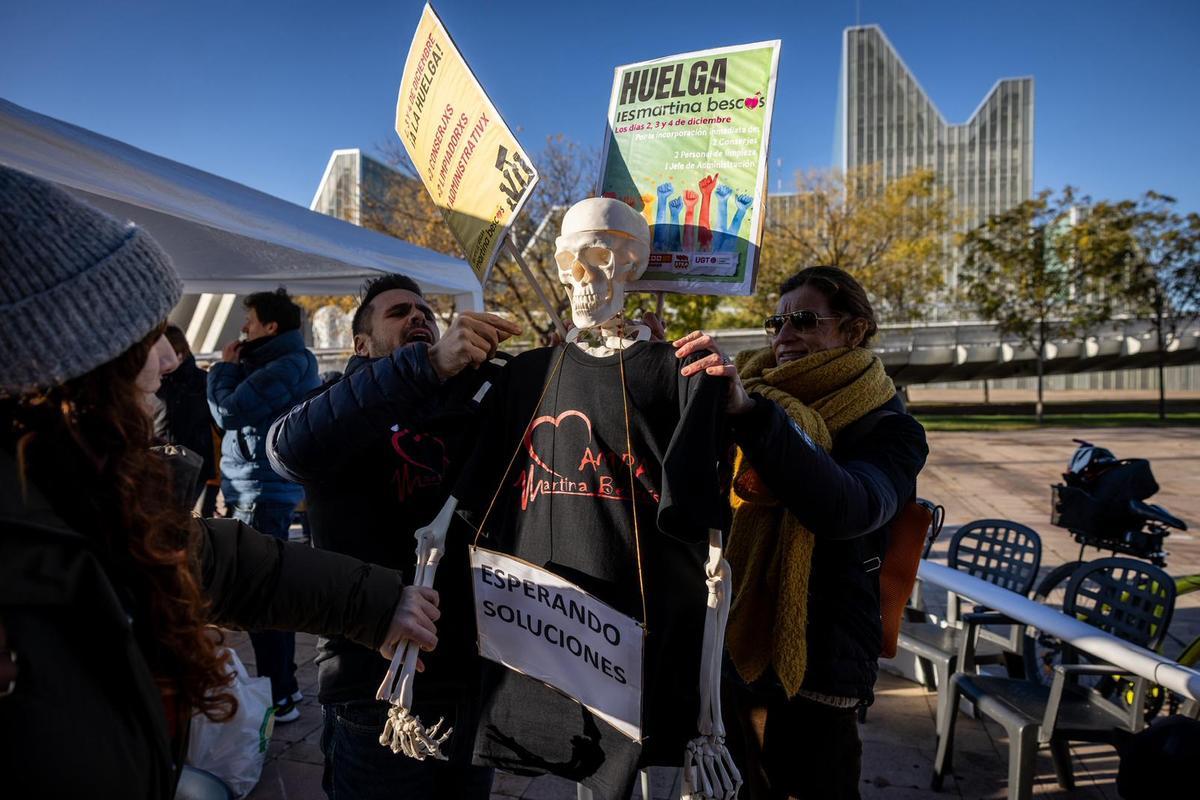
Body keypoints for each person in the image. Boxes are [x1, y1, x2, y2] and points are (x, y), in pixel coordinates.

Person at [0, 165, 441, 799]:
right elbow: (272, 436)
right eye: (143, 341)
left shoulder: (81, 489)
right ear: (65, 368)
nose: (166, 362)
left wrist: (377, 603)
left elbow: (220, 563)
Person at [673, 265, 929, 800]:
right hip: (735, 633)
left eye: (805, 320)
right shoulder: (755, 389)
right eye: (777, 321)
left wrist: (754, 414)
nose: (784, 336)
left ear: (853, 330)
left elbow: (848, 507)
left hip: (823, 656)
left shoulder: (891, 429)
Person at [267, 273, 521, 799]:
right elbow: (287, 448)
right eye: (398, 312)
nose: (418, 318)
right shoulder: (337, 403)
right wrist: (424, 367)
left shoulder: (474, 397)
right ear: (362, 344)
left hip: (471, 682)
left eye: (425, 311)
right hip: (374, 690)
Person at [207, 287, 318, 721]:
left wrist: (222, 368)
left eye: (249, 320)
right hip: (254, 491)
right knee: (261, 590)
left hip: (262, 494)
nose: (243, 327)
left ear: (271, 326)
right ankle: (281, 685)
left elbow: (228, 412)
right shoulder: (274, 361)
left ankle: (281, 692)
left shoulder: (289, 363)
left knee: (259, 594)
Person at [155, 324, 220, 511]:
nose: (162, 363)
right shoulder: (153, 382)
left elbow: (218, 420)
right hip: (159, 461)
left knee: (179, 517)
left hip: (194, 463)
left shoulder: (203, 380)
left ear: (182, 353)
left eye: (168, 356)